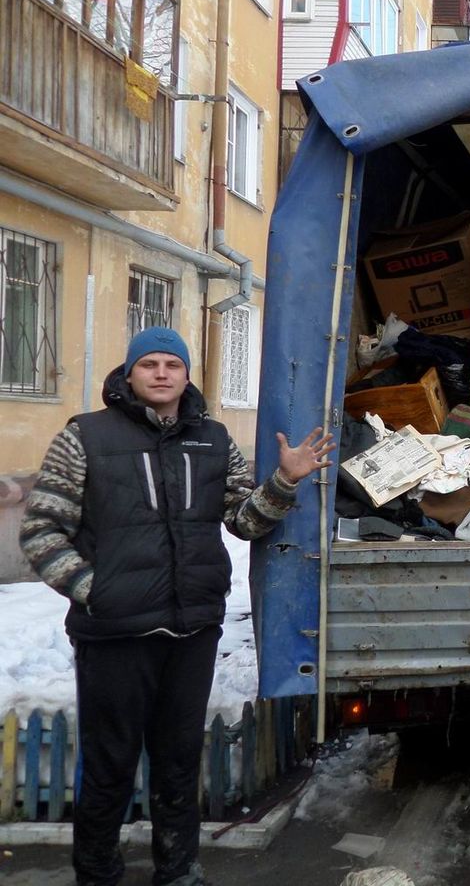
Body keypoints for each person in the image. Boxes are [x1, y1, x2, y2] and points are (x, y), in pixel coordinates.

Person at [19, 326, 336, 886]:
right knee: (110, 763)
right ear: (129, 374)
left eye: (173, 364)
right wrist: (96, 591)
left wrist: (285, 481)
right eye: (150, 364)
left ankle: (178, 870)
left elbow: (244, 521)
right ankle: (97, 873)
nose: (161, 373)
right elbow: (43, 528)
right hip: (114, 634)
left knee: (179, 758)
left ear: (187, 375)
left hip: (191, 630)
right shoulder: (85, 436)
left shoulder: (211, 440)